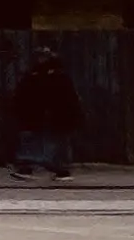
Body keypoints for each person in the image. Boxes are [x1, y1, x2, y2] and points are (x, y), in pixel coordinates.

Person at [10, 42, 84, 179]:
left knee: (56, 142)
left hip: (55, 115)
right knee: (31, 140)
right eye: (39, 56)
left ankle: (61, 170)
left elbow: (68, 97)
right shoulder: (34, 74)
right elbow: (22, 94)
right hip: (34, 114)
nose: (41, 59)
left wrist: (69, 114)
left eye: (44, 56)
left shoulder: (57, 75)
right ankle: (26, 168)